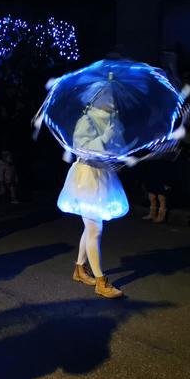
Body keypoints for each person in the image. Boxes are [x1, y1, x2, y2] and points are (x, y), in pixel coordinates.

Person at [58, 89, 127, 299]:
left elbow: (118, 150)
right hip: (86, 178)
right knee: (95, 229)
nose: (114, 102)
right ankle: (100, 281)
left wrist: (115, 145)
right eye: (110, 97)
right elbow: (81, 149)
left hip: (103, 177)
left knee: (91, 228)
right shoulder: (86, 120)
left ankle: (79, 268)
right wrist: (104, 138)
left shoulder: (113, 121)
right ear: (99, 99)